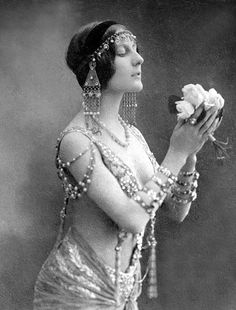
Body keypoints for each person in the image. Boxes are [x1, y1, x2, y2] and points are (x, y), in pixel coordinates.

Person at [33, 20, 220, 310]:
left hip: (123, 295)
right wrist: (176, 152)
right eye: (124, 52)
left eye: (137, 49)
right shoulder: (77, 140)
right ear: (98, 64)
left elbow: (176, 210)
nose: (139, 58)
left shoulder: (132, 135)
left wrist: (189, 154)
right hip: (77, 291)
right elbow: (133, 219)